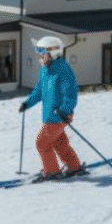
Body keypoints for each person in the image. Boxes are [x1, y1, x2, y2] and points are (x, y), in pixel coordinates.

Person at [18, 35, 85, 180]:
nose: (40, 57)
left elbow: (71, 94)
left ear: (53, 53)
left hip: (58, 115)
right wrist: (27, 103)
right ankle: (74, 167)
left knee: (42, 143)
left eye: (43, 54)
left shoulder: (63, 70)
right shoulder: (45, 70)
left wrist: (64, 110)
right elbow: (39, 91)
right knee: (59, 142)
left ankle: (52, 171)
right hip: (50, 114)